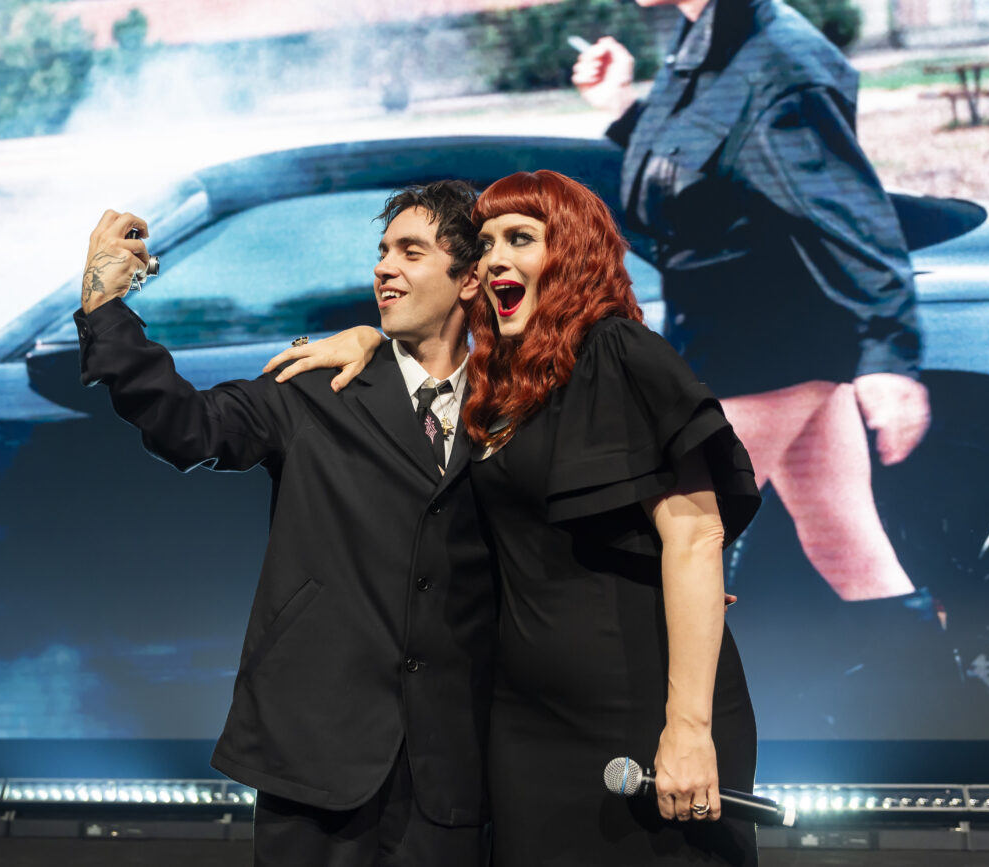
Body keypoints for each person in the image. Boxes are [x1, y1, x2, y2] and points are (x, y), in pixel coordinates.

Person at [280, 170, 762, 865]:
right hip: (526, 726)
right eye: (485, 244)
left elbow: (695, 533)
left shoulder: (617, 351)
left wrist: (687, 728)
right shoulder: (499, 383)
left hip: (639, 713)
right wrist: (369, 339)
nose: (497, 257)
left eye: (521, 238)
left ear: (573, 253)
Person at [74, 181, 496, 867]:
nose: (384, 267)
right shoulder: (316, 388)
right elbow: (186, 426)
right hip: (317, 755)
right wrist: (106, 307)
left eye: (410, 251)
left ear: (470, 278)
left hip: (451, 771)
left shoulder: (511, 405)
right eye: (382, 250)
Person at [573, 0, 931, 603]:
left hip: (763, 348)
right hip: (748, 341)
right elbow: (705, 180)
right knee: (847, 548)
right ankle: (936, 693)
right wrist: (621, 107)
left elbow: (852, 217)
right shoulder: (710, 42)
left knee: (648, 557)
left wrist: (890, 356)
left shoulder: (779, 56)